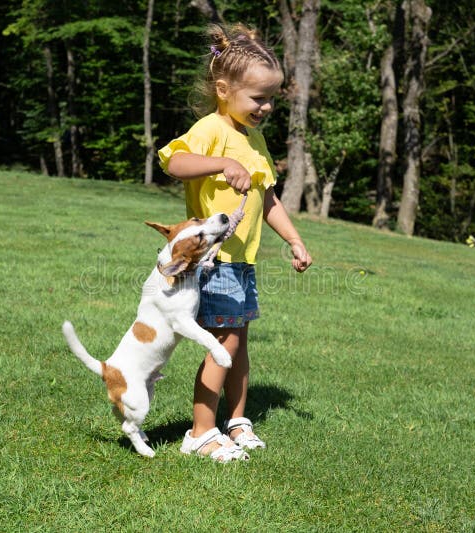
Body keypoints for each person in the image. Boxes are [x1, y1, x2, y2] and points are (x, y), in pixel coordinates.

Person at [158, 23, 312, 462]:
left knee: (238, 343)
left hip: (241, 262)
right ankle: (201, 432)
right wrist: (221, 162)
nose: (265, 107)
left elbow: (268, 199)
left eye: (271, 98)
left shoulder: (256, 139)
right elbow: (174, 161)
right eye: (257, 98)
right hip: (215, 259)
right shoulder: (212, 128)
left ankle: (237, 421)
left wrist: (294, 239)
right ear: (224, 90)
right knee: (223, 341)